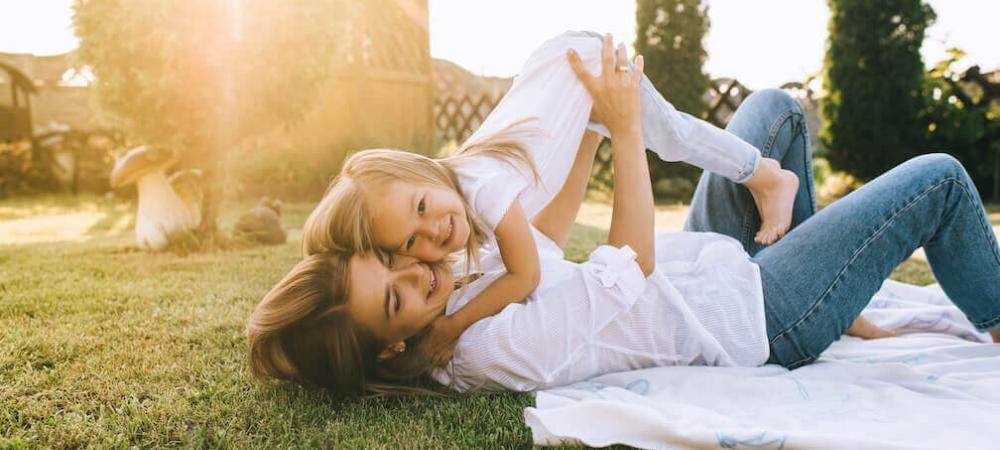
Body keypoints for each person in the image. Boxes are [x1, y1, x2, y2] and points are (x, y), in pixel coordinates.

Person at [246, 33, 1000, 394]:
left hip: (704, 269)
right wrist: (631, 131)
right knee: (937, 179)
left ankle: (835, 287)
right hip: (755, 320)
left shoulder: (451, 299)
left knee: (775, 111)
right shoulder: (483, 353)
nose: (418, 265)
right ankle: (975, 314)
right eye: (394, 293)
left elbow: (538, 243)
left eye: (395, 256)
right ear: (388, 350)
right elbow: (626, 270)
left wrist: (592, 133)